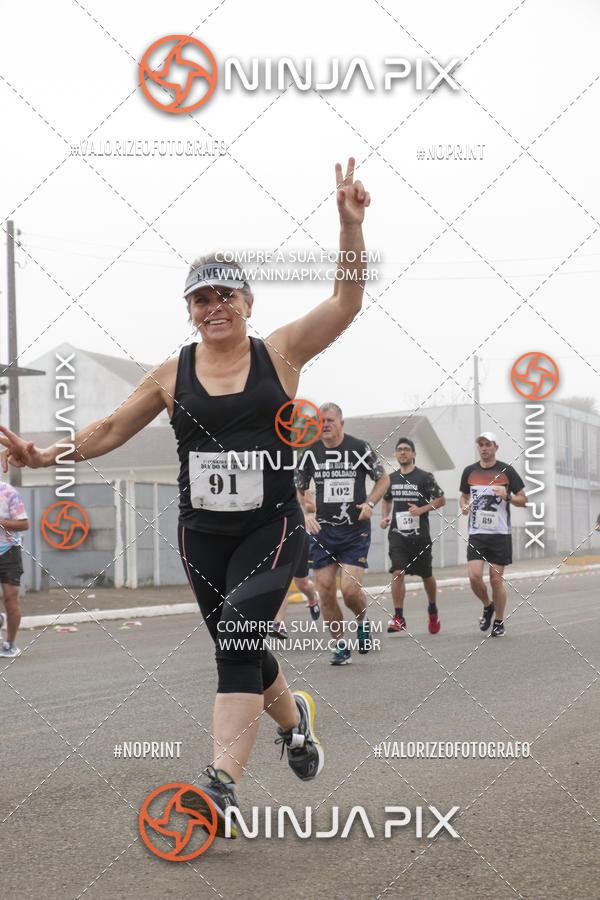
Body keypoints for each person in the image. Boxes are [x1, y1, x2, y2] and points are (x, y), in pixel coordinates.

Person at [0, 158, 371, 838]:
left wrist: (349, 229)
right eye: (203, 298)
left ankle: (220, 786)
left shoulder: (281, 353)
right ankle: (295, 728)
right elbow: (111, 428)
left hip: (272, 528)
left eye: (227, 294)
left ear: (248, 303)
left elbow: (345, 303)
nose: (216, 306)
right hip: (202, 535)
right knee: (246, 650)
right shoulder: (171, 373)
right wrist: (47, 454)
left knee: (237, 636)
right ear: (191, 311)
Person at [296, 403, 389, 665]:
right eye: (321, 421)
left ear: (341, 423)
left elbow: (383, 479)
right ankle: (339, 645)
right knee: (325, 591)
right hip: (323, 532)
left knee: (349, 591)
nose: (325, 425)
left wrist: (370, 504)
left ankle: (363, 621)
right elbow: (298, 489)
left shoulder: (359, 448)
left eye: (330, 420)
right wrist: (304, 515)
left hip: (354, 531)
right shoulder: (310, 453)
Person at [459, 432, 527, 638]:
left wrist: (507, 496)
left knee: (496, 580)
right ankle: (487, 606)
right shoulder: (469, 472)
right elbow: (463, 497)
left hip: (500, 534)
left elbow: (524, 500)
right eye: (481, 444)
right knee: (474, 577)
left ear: (496, 448)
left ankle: (498, 621)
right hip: (477, 533)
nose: (484, 448)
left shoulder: (507, 471)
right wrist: (464, 507)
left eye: (488, 444)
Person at [381, 438, 445, 635]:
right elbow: (386, 499)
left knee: (427, 576)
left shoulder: (425, 477)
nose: (402, 453)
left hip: (420, 536)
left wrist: (422, 509)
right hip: (398, 535)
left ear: (414, 454)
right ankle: (399, 616)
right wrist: (385, 517)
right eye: (399, 450)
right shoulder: (391, 478)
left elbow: (441, 499)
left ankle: (432, 608)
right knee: (397, 572)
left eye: (406, 450)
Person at [272, 489, 320, 639]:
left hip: (298, 534)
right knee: (280, 579)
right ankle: (279, 623)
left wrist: (294, 507)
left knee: (301, 583)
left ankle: (313, 599)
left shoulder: (298, 482)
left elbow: (312, 506)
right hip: (276, 534)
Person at [0, 481, 29, 658]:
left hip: (9, 550)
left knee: (10, 599)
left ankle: (10, 644)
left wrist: (1, 522)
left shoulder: (8, 492)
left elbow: (24, 524)